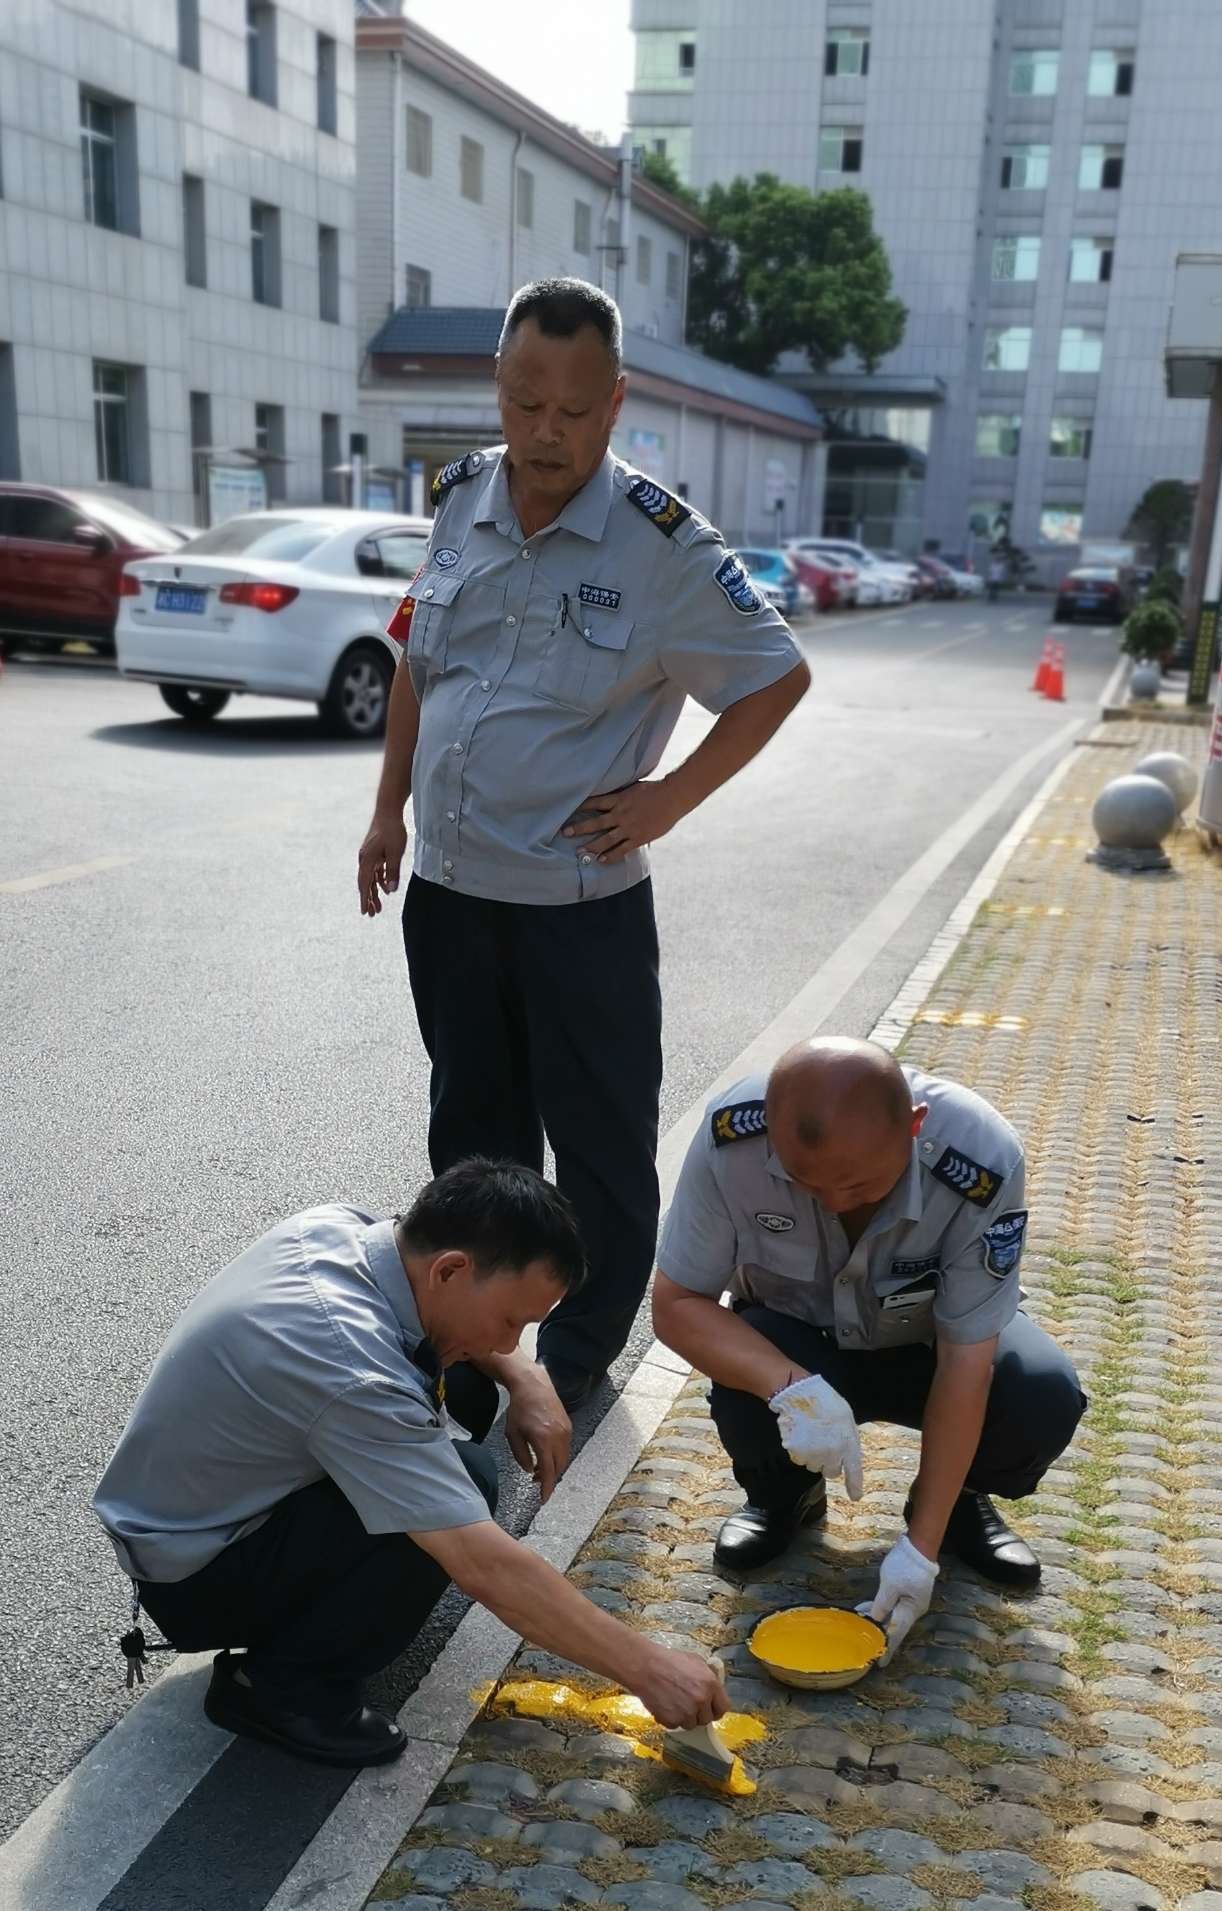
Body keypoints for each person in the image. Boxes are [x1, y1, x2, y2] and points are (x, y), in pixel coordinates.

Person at [356, 275, 811, 1412]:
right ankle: (471, 1342)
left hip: (579, 909)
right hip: (452, 893)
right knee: (471, 1130)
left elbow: (774, 679)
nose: (540, 434)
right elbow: (419, 660)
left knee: (599, 1147)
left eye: (567, 411)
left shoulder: (663, 546)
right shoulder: (462, 495)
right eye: (519, 405)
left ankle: (576, 1356)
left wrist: (669, 798)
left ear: (613, 405)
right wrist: (386, 809)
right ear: (497, 394)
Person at [94, 1159, 728, 1766]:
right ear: (450, 1270)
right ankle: (280, 1689)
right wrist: (650, 1670)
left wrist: (524, 1376)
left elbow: (434, 1333)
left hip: (196, 1512)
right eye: (511, 1320)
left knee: (464, 1405)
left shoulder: (336, 1228)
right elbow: (483, 1563)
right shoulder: (350, 1368)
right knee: (461, 1494)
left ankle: (322, 1620)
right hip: (197, 1579)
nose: (510, 1341)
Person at [650, 1038, 1086, 1652]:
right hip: (800, 1336)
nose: (831, 1201)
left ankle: (955, 1506)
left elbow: (966, 1361)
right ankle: (784, 1498)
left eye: (857, 1186)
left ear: (914, 1129)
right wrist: (791, 1389)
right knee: (747, 1362)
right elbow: (676, 1305)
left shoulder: (980, 1158)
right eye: (804, 1182)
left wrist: (920, 1553)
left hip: (929, 1343)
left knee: (1038, 1393)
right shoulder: (734, 1138)